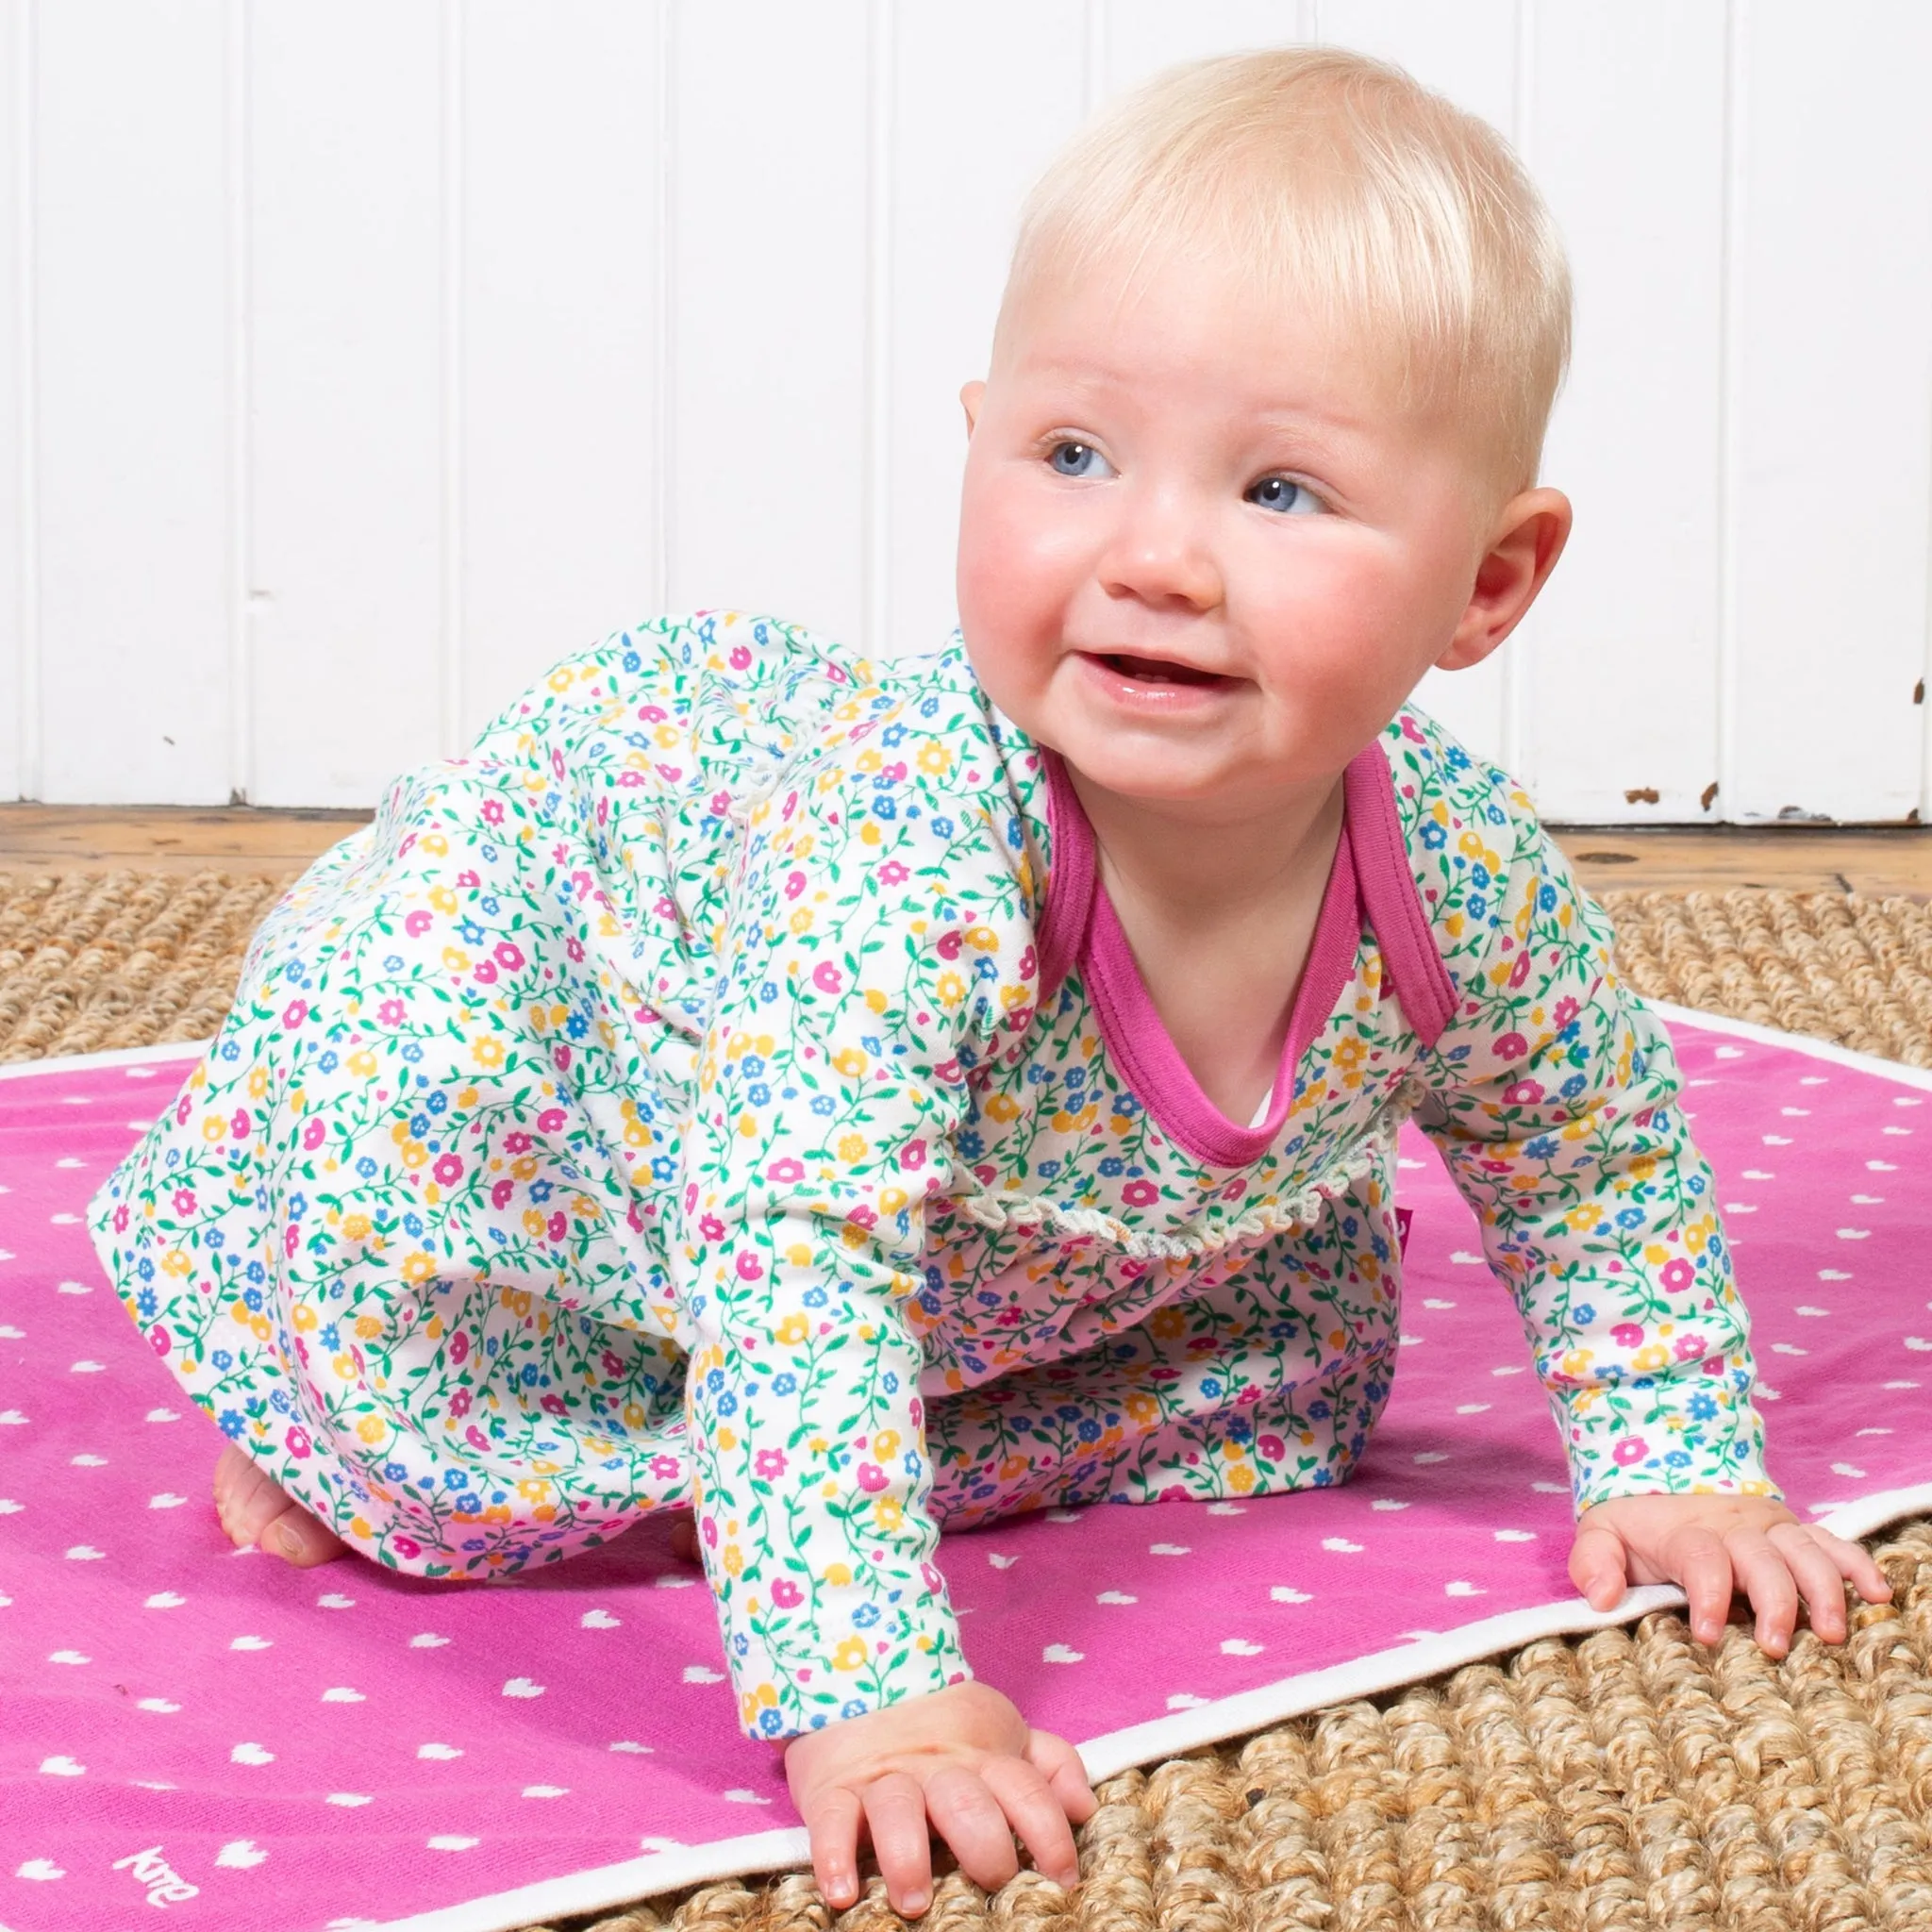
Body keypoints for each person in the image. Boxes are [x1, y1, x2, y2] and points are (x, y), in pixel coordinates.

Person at [91, 44, 1892, 1921]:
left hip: (1029, 1231)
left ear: (1487, 582)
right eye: (1072, 456)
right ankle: (309, 1368)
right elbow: (792, 1254)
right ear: (977, 441)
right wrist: (865, 1686)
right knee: (455, 1402)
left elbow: (1587, 1156)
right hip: (640, 1091)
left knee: (1274, 1383)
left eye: (1281, 490)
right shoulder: (906, 859)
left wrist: (1676, 1453)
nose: (1155, 556)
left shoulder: (1457, 876)